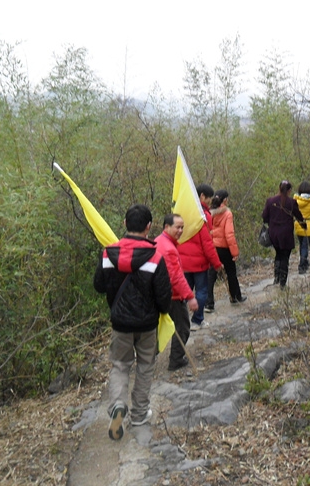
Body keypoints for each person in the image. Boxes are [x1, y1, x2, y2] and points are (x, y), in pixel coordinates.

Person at [93, 204, 172, 441]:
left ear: (125, 224)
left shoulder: (108, 253)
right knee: (145, 366)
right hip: (147, 325)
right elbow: (163, 296)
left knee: (120, 365)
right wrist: (162, 312)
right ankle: (138, 414)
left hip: (120, 324)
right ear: (149, 227)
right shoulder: (155, 257)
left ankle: (118, 405)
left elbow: (98, 286)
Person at [155, 213, 199, 371]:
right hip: (172, 295)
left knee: (157, 328)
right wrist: (190, 297)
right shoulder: (168, 248)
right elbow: (176, 277)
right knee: (182, 327)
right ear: (166, 227)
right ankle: (175, 360)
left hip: (159, 293)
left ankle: (147, 357)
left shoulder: (158, 241)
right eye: (177, 227)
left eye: (182, 227)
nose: (180, 230)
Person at [178, 183, 223, 329]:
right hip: (199, 263)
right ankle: (197, 321)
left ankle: (179, 320)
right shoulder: (202, 217)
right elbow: (207, 244)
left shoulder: (182, 213)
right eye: (209, 198)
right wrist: (216, 263)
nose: (210, 201)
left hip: (183, 262)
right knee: (201, 291)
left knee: (184, 292)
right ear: (202, 196)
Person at [262, 180, 307, 288]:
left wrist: (272, 224)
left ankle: (276, 278)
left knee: (278, 254)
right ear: (289, 191)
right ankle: (282, 283)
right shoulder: (292, 202)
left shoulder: (270, 201)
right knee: (285, 257)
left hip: (274, 234)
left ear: (279, 188)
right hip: (286, 234)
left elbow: (264, 217)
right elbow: (299, 216)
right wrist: (304, 225)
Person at [208, 189, 247, 305]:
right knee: (231, 272)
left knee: (211, 275)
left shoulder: (209, 213)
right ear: (225, 200)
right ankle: (235, 296)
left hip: (212, 247)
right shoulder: (227, 213)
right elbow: (229, 234)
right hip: (224, 248)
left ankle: (208, 303)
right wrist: (235, 252)